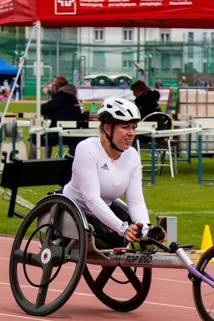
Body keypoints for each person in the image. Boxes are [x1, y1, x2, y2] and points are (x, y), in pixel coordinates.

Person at [61, 97, 159, 247]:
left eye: (134, 127)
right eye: (125, 127)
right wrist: (123, 228)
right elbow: (92, 199)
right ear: (107, 128)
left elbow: (135, 201)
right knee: (116, 237)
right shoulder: (87, 149)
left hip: (106, 208)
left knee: (135, 235)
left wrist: (145, 229)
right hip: (75, 209)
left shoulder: (132, 155)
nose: (131, 133)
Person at [34, 75, 84, 156]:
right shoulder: (72, 97)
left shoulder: (60, 97)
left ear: (56, 86)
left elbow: (43, 109)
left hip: (61, 134)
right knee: (44, 136)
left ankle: (41, 162)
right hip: (74, 133)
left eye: (53, 85)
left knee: (35, 137)